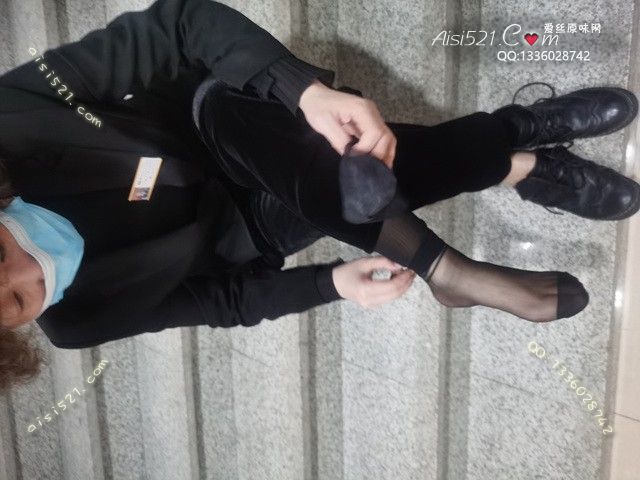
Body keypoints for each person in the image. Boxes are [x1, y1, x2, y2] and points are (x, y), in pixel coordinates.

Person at [0, 0, 638, 392]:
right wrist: (333, 284)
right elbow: (221, 302)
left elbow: (179, 26)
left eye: (0, 258)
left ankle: (496, 193)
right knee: (343, 184)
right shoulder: (77, 323)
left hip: (209, 122)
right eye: (17, 302)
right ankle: (520, 142)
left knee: (306, 158)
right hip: (248, 228)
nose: (33, 270)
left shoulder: (12, 122)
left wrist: (305, 92)